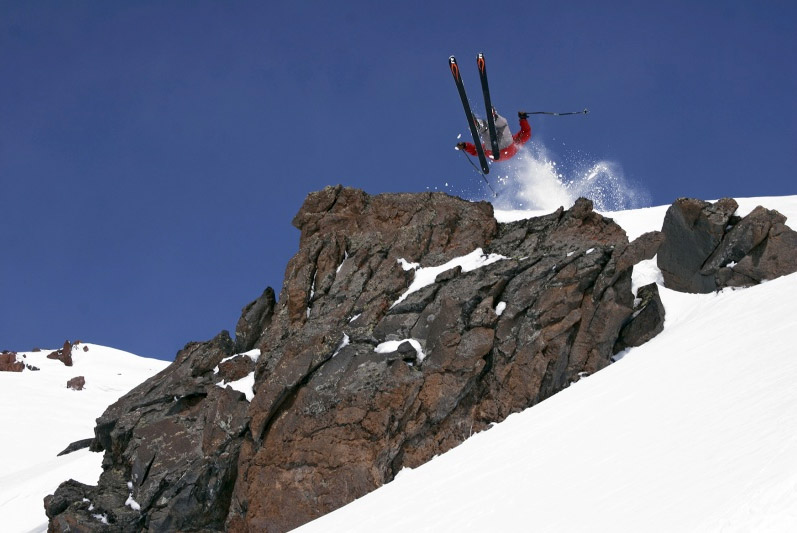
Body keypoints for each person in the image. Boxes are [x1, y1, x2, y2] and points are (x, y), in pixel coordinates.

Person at [456, 109, 531, 162]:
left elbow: (475, 150)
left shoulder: (484, 147)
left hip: (493, 152)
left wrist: (465, 146)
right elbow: (526, 132)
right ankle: (494, 118)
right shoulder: (516, 141)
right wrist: (523, 119)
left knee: (486, 130)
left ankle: (479, 126)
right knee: (502, 126)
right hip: (505, 150)